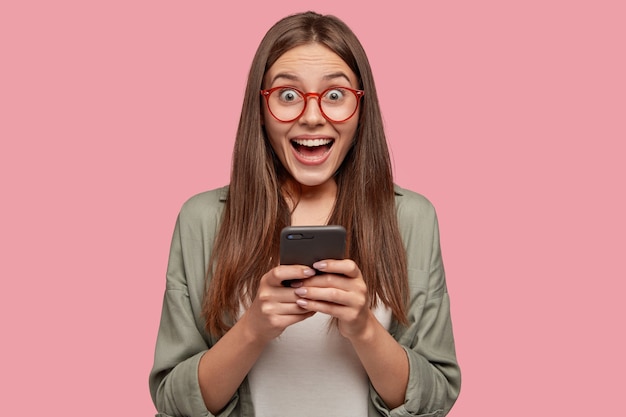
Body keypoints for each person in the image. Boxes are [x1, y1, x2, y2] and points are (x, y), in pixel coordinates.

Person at [149, 10, 461, 417]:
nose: (312, 116)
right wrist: (253, 329)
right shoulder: (202, 219)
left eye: (335, 95)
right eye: (288, 95)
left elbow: (436, 396)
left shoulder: (412, 219)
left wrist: (364, 329)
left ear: (361, 107)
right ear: (260, 109)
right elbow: (172, 400)